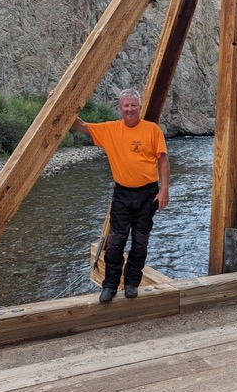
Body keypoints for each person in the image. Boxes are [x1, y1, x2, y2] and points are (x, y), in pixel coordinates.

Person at [72, 88, 170, 303]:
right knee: (115, 242)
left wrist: (164, 190)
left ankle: (132, 283)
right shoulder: (111, 129)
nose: (129, 109)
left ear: (139, 107)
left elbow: (162, 160)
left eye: (133, 105)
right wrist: (61, 100)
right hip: (122, 194)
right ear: (120, 108)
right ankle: (110, 285)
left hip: (148, 194)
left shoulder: (152, 130)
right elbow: (80, 125)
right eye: (126, 105)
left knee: (140, 242)